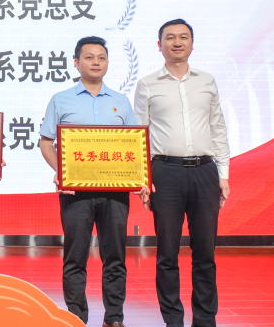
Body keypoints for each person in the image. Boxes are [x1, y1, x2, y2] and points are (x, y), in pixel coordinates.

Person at [133, 18, 230, 327]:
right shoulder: (147, 84)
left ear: (192, 43)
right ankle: (172, 319)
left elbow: (218, 128)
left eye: (184, 37)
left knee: (205, 254)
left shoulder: (207, 81)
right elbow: (138, 135)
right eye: (170, 37)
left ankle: (205, 319)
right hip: (165, 173)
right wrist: (142, 179)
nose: (177, 42)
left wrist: (223, 174)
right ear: (159, 45)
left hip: (205, 172)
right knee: (167, 254)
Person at [38, 36, 137, 327]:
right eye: (89, 57)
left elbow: (134, 145)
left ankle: (114, 318)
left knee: (115, 257)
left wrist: (139, 178)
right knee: (75, 257)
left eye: (101, 58)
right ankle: (76, 317)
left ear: (107, 63)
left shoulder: (121, 101)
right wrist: (61, 171)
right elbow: (46, 142)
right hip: (75, 192)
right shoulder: (61, 99)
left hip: (114, 192)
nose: (96, 62)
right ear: (76, 62)